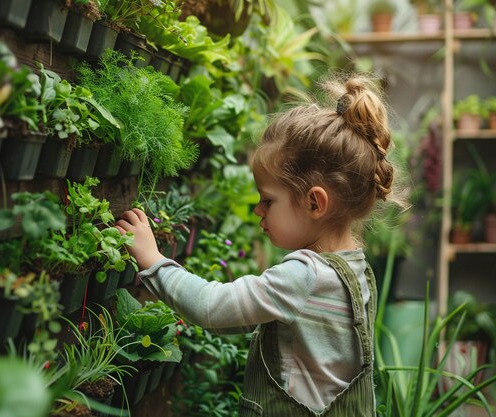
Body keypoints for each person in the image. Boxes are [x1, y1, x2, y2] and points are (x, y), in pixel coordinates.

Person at [115, 74, 402, 417]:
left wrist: (152, 259)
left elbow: (211, 308)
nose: (257, 211)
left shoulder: (305, 276)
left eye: (268, 200)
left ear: (315, 203)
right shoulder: (356, 268)